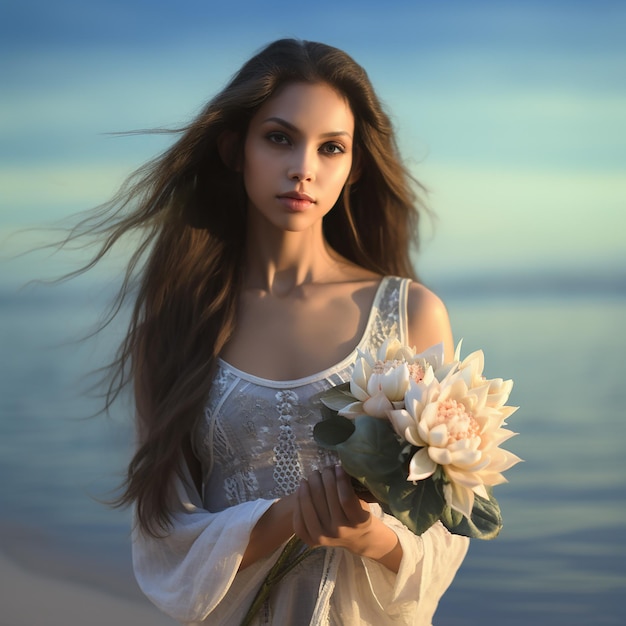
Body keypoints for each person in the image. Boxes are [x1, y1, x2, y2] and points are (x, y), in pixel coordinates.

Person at [81, 38, 468, 625]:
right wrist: (291, 517)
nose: (303, 169)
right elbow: (164, 537)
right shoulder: (176, 328)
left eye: (331, 147)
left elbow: (446, 531)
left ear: (354, 167)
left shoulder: (409, 315)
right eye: (280, 138)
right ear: (235, 149)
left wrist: (369, 537)